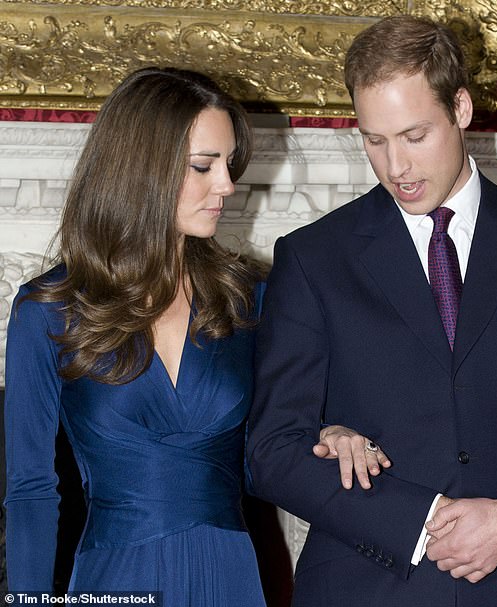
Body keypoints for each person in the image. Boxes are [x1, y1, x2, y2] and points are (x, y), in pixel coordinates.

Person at [246, 15, 497, 607]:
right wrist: (417, 520)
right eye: (375, 140)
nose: (396, 166)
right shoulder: (312, 257)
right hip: (359, 587)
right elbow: (272, 449)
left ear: (462, 108)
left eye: (415, 135)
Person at [3, 66, 380, 603]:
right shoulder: (48, 310)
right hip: (115, 580)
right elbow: (31, 492)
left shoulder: (249, 300)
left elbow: (266, 453)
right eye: (204, 166)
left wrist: (329, 431)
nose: (227, 185)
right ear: (142, 169)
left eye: (229, 164)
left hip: (230, 576)